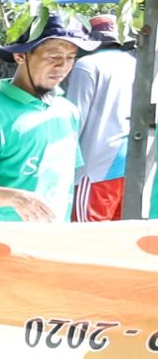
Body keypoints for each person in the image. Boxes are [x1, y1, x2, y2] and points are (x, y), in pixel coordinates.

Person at [0, 16, 91, 222]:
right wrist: (15, 198)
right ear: (20, 56)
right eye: (53, 56)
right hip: (2, 244)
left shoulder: (67, 111)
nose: (63, 66)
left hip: (55, 241)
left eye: (71, 57)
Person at [64, 14, 139, 221]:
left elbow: (74, 119)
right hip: (129, 163)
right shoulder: (136, 64)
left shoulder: (87, 65)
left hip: (94, 166)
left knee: (84, 236)